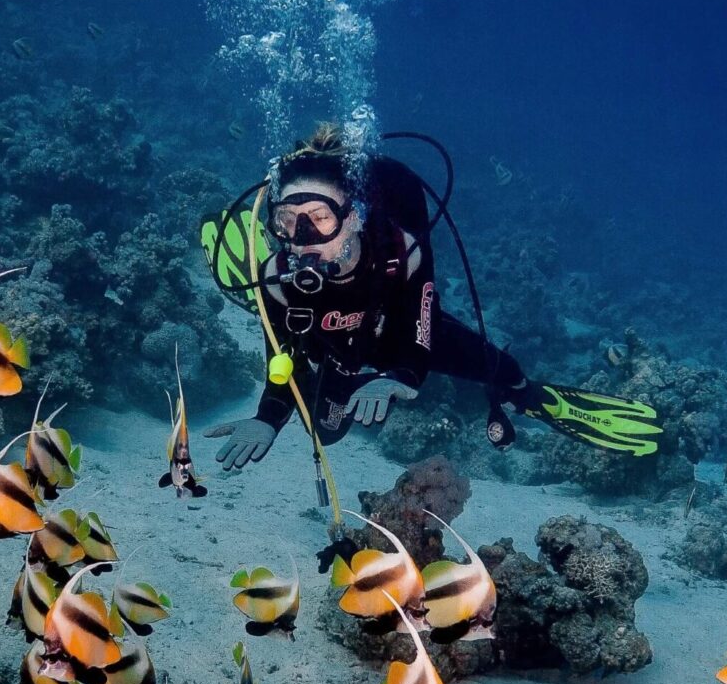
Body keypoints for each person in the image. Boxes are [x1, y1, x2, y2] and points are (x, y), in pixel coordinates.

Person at [204, 124, 660, 470]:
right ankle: (337, 382)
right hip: (331, 350)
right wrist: (268, 416)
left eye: (320, 218)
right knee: (324, 433)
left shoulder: (402, 252)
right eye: (287, 221)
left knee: (504, 368)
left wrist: (403, 374)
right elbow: (280, 358)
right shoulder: (277, 278)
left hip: (400, 334)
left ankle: (531, 398)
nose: (302, 237)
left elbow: (421, 330)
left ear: (354, 217)